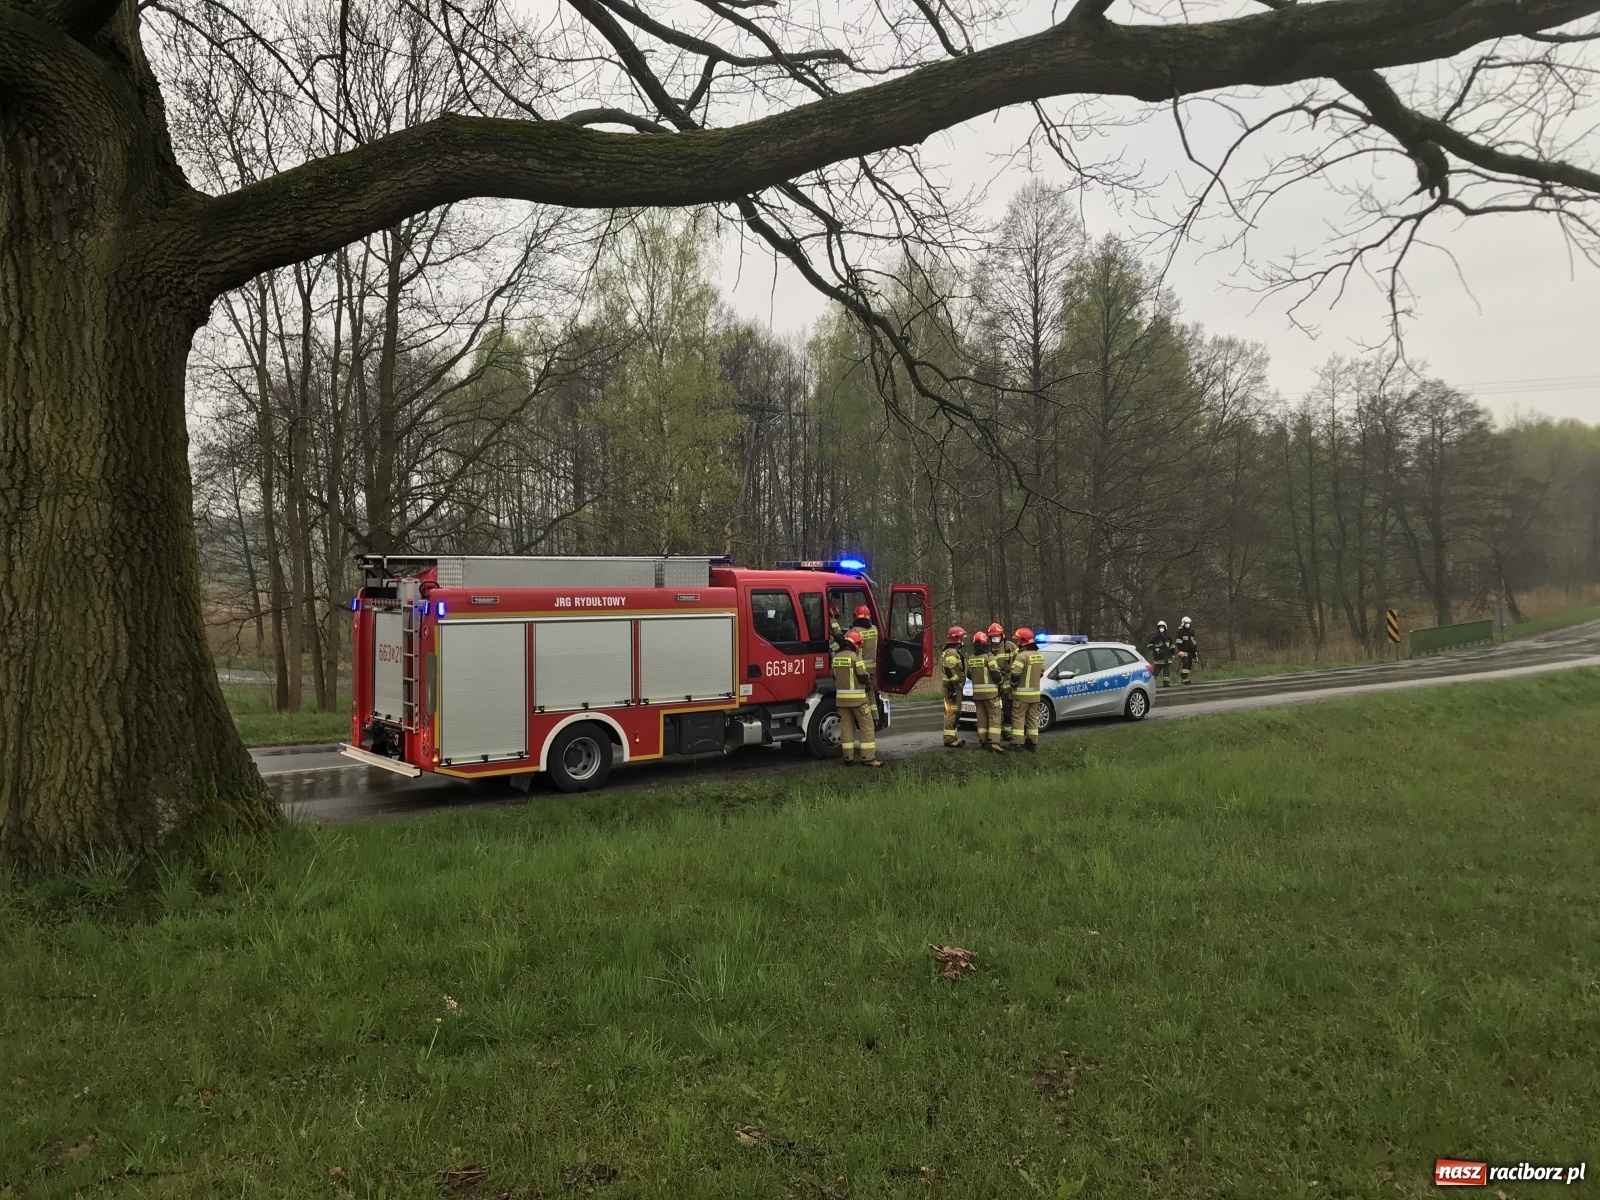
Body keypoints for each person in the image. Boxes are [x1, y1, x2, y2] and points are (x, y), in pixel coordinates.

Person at [832, 629, 882, 767]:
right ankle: (868, 758)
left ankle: (848, 757)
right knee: (867, 726)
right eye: (859, 644)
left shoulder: (836, 657)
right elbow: (863, 677)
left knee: (846, 727)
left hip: (841, 700)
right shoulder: (855, 657)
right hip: (858, 701)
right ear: (856, 644)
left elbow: (835, 677)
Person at [1009, 628, 1047, 751]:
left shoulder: (1021, 656)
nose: (1017, 643)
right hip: (1035, 694)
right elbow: (1041, 673)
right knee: (1032, 718)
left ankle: (1017, 743)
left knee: (1018, 717)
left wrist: (1012, 684)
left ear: (1023, 641)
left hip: (1021, 695)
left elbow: (1015, 675)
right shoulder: (1039, 656)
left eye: (1018, 640)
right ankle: (1032, 743)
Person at [967, 631, 1002, 751]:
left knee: (981, 718)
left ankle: (983, 741)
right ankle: (994, 743)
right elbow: (996, 675)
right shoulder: (989, 657)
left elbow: (969, 675)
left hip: (977, 695)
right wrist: (1001, 681)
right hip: (991, 694)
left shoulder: (971, 659)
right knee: (994, 717)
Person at [988, 622, 1018, 743]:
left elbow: (1018, 663)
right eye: (992, 637)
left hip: (1007, 684)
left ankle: (1007, 732)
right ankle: (995, 734)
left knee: (1008, 709)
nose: (995, 639)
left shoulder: (1010, 647)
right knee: (994, 711)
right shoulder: (987, 649)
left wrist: (1012, 680)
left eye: (997, 636)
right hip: (993, 685)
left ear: (1002, 636)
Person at [940, 626, 968, 748]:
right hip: (952, 687)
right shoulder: (952, 652)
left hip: (952, 686)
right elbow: (948, 668)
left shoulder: (951, 651)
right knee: (952, 711)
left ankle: (952, 737)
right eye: (962, 638)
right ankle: (950, 739)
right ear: (958, 639)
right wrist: (957, 682)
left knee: (954, 711)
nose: (963, 641)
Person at [853, 604, 880, 708]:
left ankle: (865, 717)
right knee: (871, 693)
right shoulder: (875, 629)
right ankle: (875, 717)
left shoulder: (855, 631)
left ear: (855, 616)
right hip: (872, 669)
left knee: (862, 695)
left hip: (860, 669)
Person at [1147, 620, 1174, 687]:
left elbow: (1172, 646)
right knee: (1156, 671)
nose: (1161, 628)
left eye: (1163, 627)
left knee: (1166, 671)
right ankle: (1150, 684)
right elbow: (1149, 645)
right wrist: (1155, 648)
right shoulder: (1155, 637)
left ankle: (1166, 683)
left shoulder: (1168, 637)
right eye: (1160, 627)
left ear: (1165, 628)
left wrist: (1173, 654)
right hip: (1158, 658)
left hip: (1166, 657)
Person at [1176, 615, 1199, 685]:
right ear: (1183, 623)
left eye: (1189, 623)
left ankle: (1185, 678)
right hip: (1183, 651)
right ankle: (1184, 678)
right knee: (1185, 664)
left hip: (1190, 651)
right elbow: (1178, 642)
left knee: (1189, 664)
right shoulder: (1180, 631)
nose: (1188, 624)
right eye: (1186, 623)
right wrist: (1180, 650)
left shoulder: (1191, 632)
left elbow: (1193, 642)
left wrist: (1195, 651)